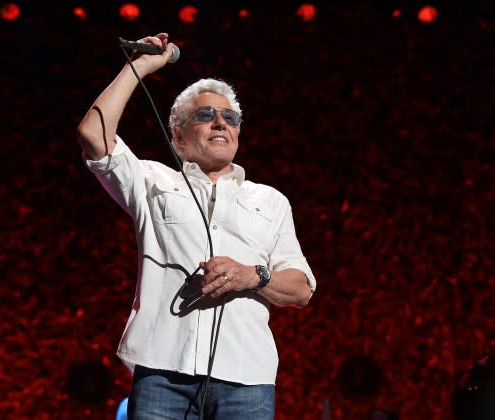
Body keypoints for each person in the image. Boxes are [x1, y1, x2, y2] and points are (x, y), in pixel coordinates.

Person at [76, 32, 317, 420]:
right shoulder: (153, 181)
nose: (220, 122)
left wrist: (250, 276)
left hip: (246, 378)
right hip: (163, 374)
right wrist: (138, 68)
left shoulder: (269, 200)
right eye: (205, 115)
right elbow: (92, 134)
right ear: (178, 137)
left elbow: (302, 288)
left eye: (230, 117)